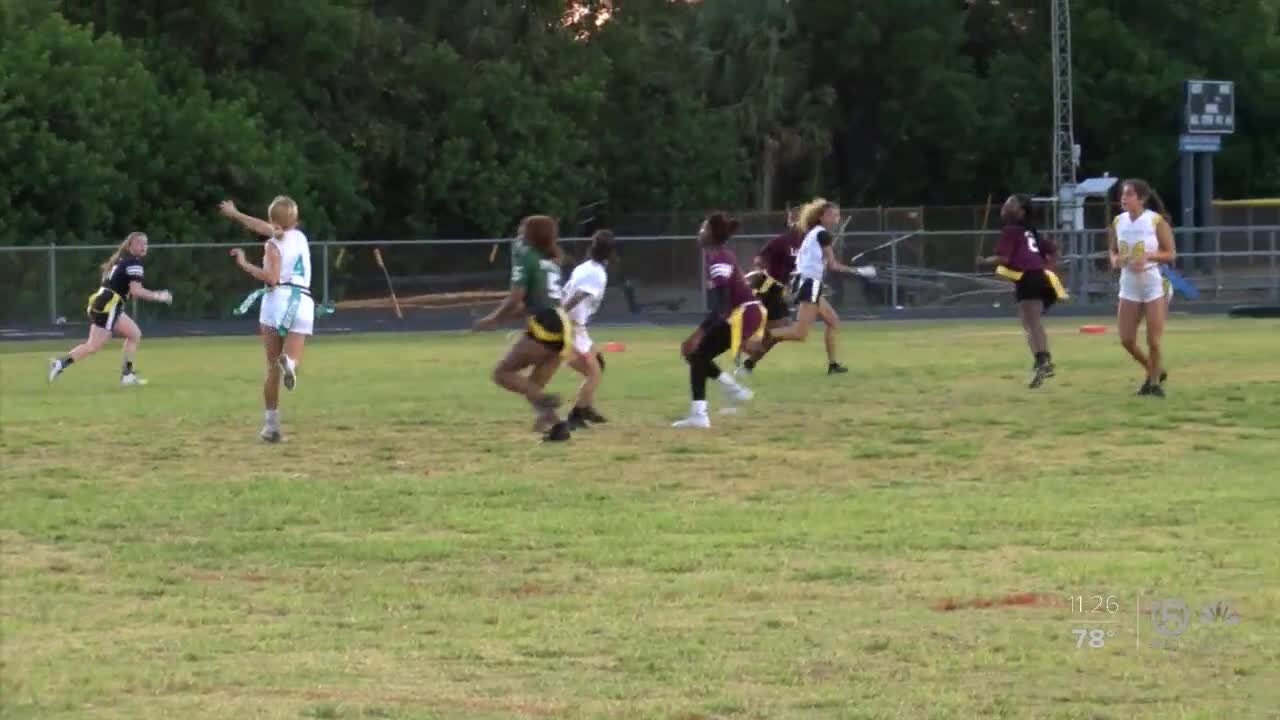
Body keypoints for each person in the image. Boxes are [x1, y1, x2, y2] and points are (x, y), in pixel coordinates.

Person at [220, 196, 314, 442]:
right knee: (291, 358)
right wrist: (238, 214)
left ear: (273, 219)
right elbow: (267, 228)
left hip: (276, 301)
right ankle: (291, 364)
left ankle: (271, 427)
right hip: (301, 301)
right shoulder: (301, 238)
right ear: (294, 218)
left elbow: (271, 279)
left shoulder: (273, 245)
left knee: (271, 368)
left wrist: (244, 264)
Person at [473, 215, 572, 442]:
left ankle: (546, 400)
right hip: (562, 324)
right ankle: (557, 427)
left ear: (531, 234)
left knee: (502, 373)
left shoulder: (526, 256)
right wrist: (507, 317)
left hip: (546, 323)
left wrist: (492, 319)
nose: (518, 233)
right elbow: (534, 301)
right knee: (532, 386)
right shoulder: (551, 260)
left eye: (522, 229)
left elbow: (515, 298)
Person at [759, 199, 872, 375]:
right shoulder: (822, 235)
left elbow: (818, 263)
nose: (836, 219)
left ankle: (833, 365)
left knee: (833, 321)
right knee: (799, 333)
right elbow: (834, 266)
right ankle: (763, 336)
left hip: (808, 283)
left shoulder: (813, 234)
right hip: (809, 284)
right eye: (833, 215)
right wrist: (859, 271)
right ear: (821, 216)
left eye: (837, 215)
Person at [671, 212, 762, 428]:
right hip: (743, 313)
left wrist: (698, 333)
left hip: (743, 314)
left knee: (696, 352)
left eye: (703, 228)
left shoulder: (719, 258)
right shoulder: (718, 255)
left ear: (711, 233)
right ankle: (731, 390)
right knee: (696, 354)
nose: (699, 232)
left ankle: (701, 414)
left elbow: (721, 305)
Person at [48, 232, 173, 386]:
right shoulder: (134, 263)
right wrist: (159, 296)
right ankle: (60, 364)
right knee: (93, 346)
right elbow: (136, 291)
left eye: (145, 243)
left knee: (134, 334)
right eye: (139, 243)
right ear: (130, 246)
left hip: (105, 302)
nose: (143, 246)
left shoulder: (121, 261)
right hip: (109, 305)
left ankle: (127, 375)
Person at [983, 194, 1067, 388]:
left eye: (1010, 204)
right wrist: (1048, 267)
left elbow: (1003, 258)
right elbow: (1053, 249)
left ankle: (1042, 360)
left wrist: (985, 261)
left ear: (1021, 212)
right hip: (1041, 278)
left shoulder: (1010, 231)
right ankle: (1043, 361)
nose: (1005, 207)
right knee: (1033, 322)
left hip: (1028, 278)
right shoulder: (1031, 232)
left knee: (1030, 323)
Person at [1109, 179, 1176, 397]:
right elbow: (1112, 251)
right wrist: (1115, 259)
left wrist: (1148, 255)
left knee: (1153, 340)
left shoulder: (1155, 221)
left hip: (1151, 284)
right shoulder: (1118, 221)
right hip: (1128, 285)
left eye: (1128, 194)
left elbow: (1170, 253)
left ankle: (1153, 383)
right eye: (1123, 194)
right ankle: (1154, 369)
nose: (1123, 198)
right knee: (1126, 339)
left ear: (1141, 198)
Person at [560, 230, 614, 430]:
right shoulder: (597, 273)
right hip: (572, 328)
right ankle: (575, 415)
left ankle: (587, 408)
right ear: (610, 254)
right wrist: (560, 314)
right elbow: (580, 295)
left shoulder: (583, 267)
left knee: (598, 362)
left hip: (575, 326)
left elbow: (567, 291)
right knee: (594, 373)